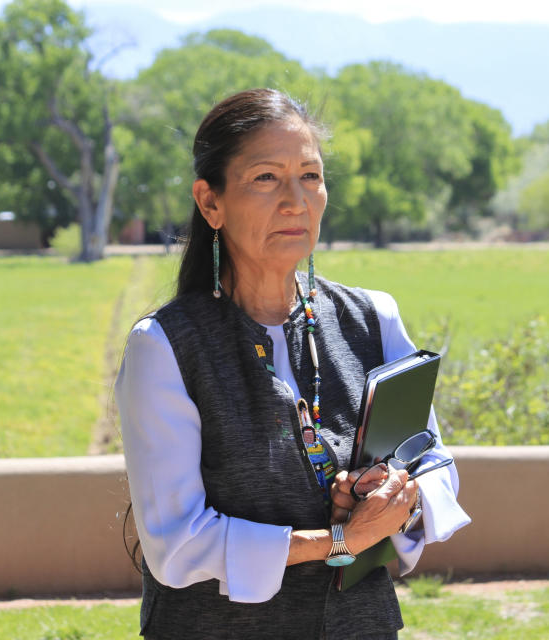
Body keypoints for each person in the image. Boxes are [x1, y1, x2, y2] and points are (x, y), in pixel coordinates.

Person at [115, 88, 470, 639]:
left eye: (310, 176)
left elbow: (434, 464)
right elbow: (177, 543)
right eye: (265, 178)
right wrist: (337, 543)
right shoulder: (165, 346)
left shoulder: (373, 318)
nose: (296, 201)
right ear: (211, 203)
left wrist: (395, 495)